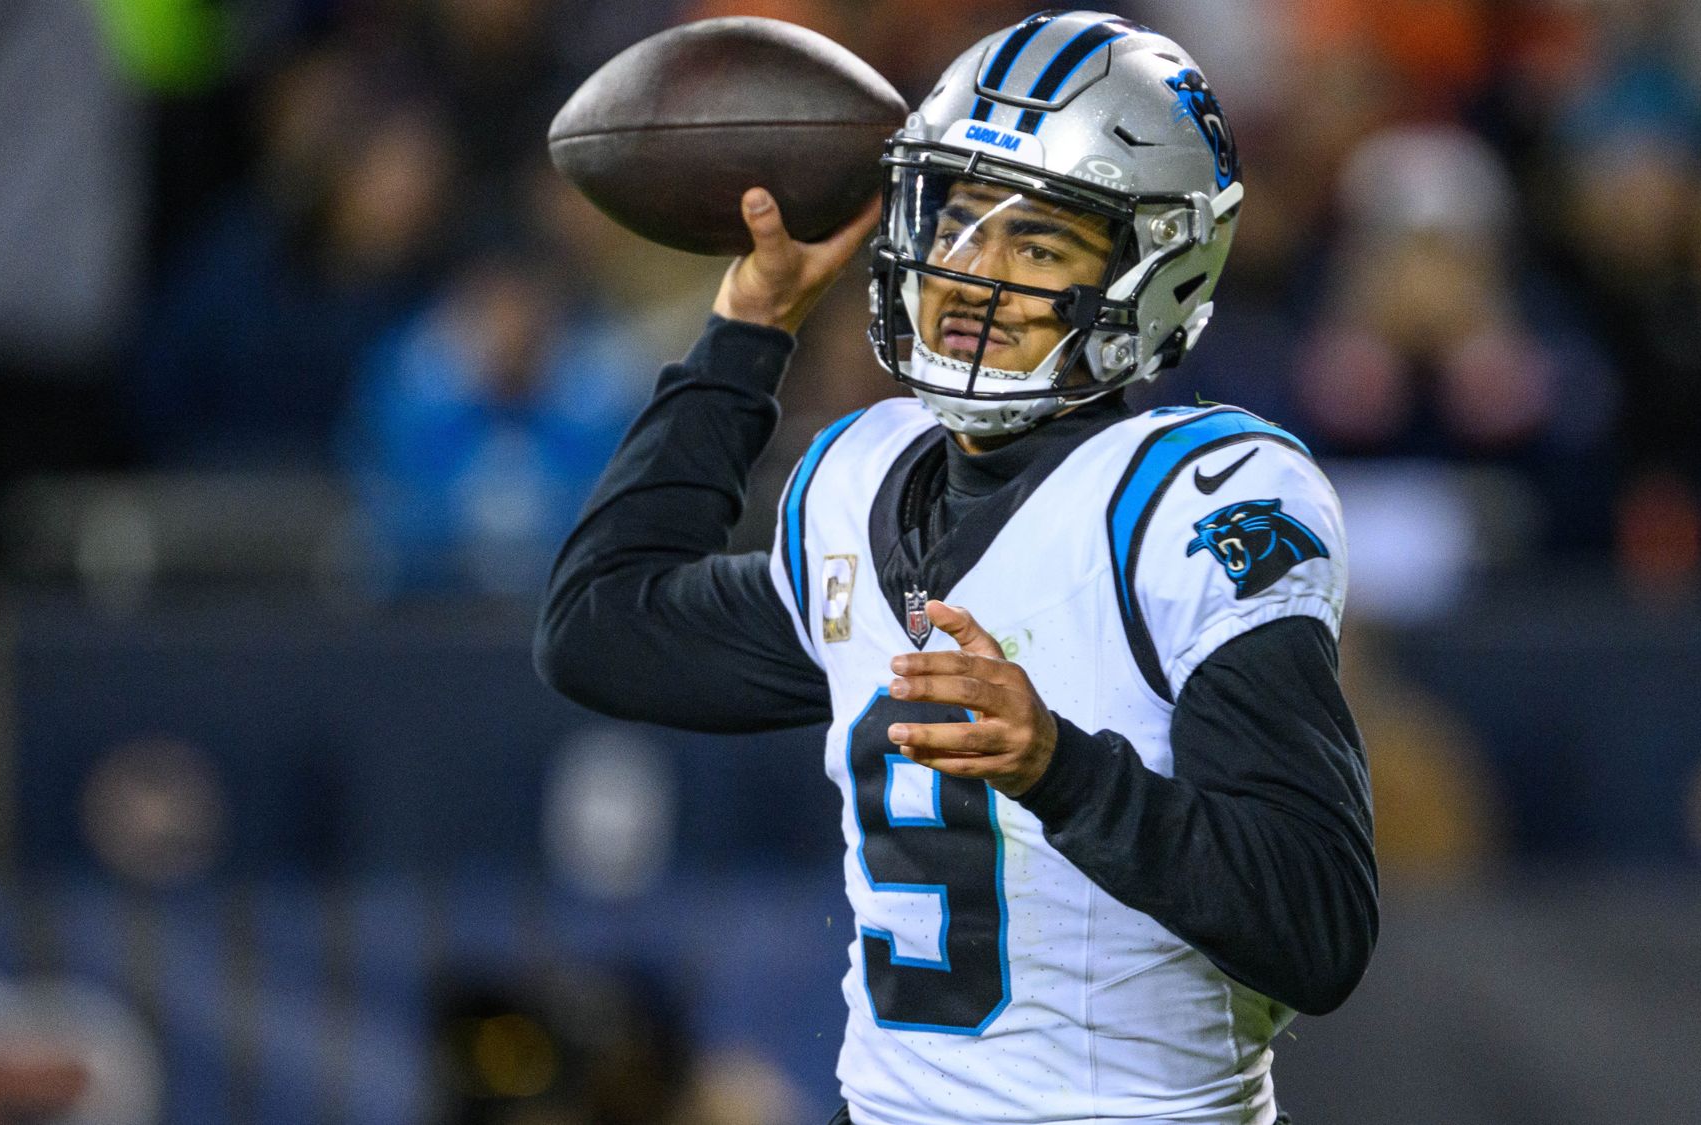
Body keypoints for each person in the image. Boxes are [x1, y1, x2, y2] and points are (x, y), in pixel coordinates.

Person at [536, 12, 1375, 1124]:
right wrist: (748, 329)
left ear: (1153, 270)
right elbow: (602, 629)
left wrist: (1062, 772)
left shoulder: (1191, 502)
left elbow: (1318, 932)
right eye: (958, 219)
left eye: (1039, 246)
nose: (974, 273)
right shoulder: (860, 477)